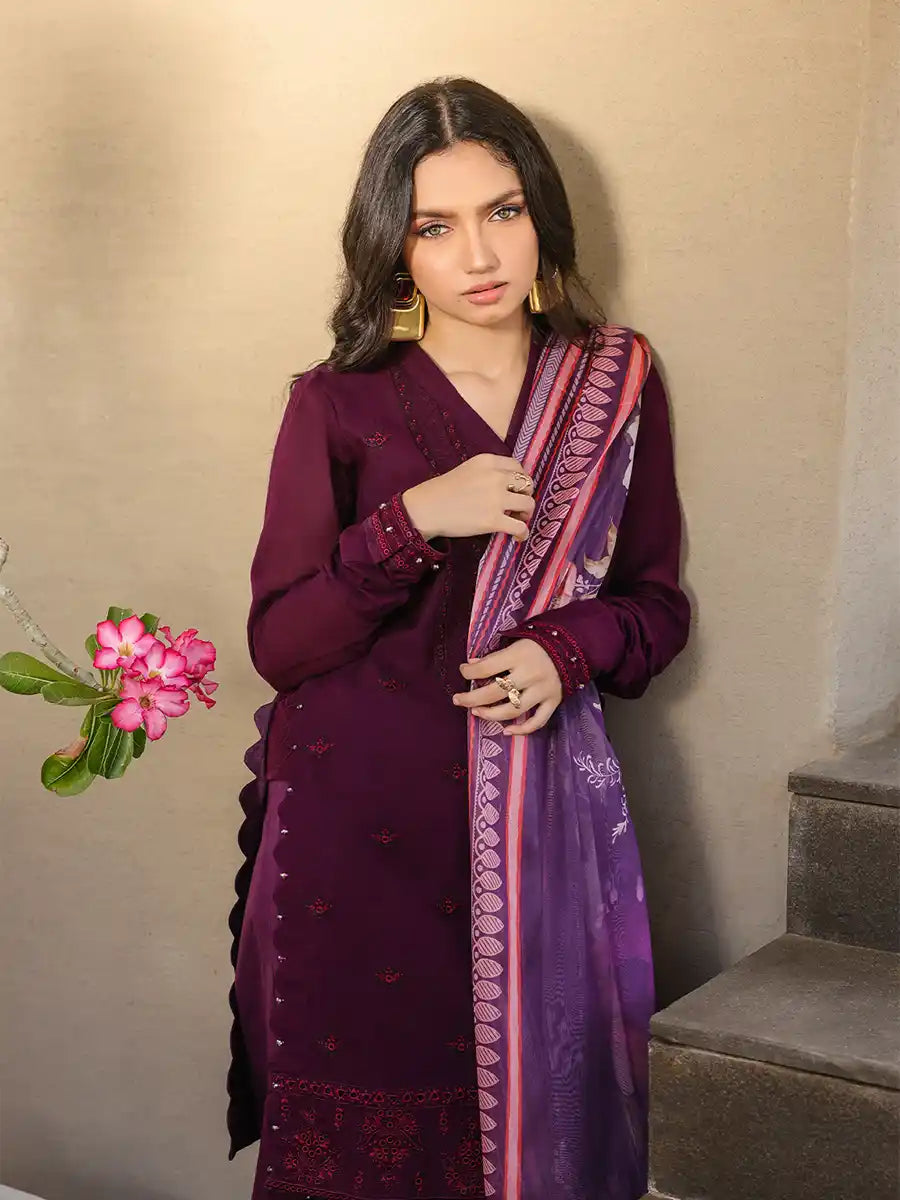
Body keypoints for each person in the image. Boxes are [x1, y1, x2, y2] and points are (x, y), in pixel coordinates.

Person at [226, 77, 690, 1200]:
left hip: (535, 830)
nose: (479, 256)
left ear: (542, 216)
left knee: (531, 1137)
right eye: (435, 227)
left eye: (504, 211)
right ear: (394, 248)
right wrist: (411, 521)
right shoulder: (338, 400)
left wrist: (564, 651)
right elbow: (281, 642)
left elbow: (656, 605)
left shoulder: (613, 380)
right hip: (353, 837)